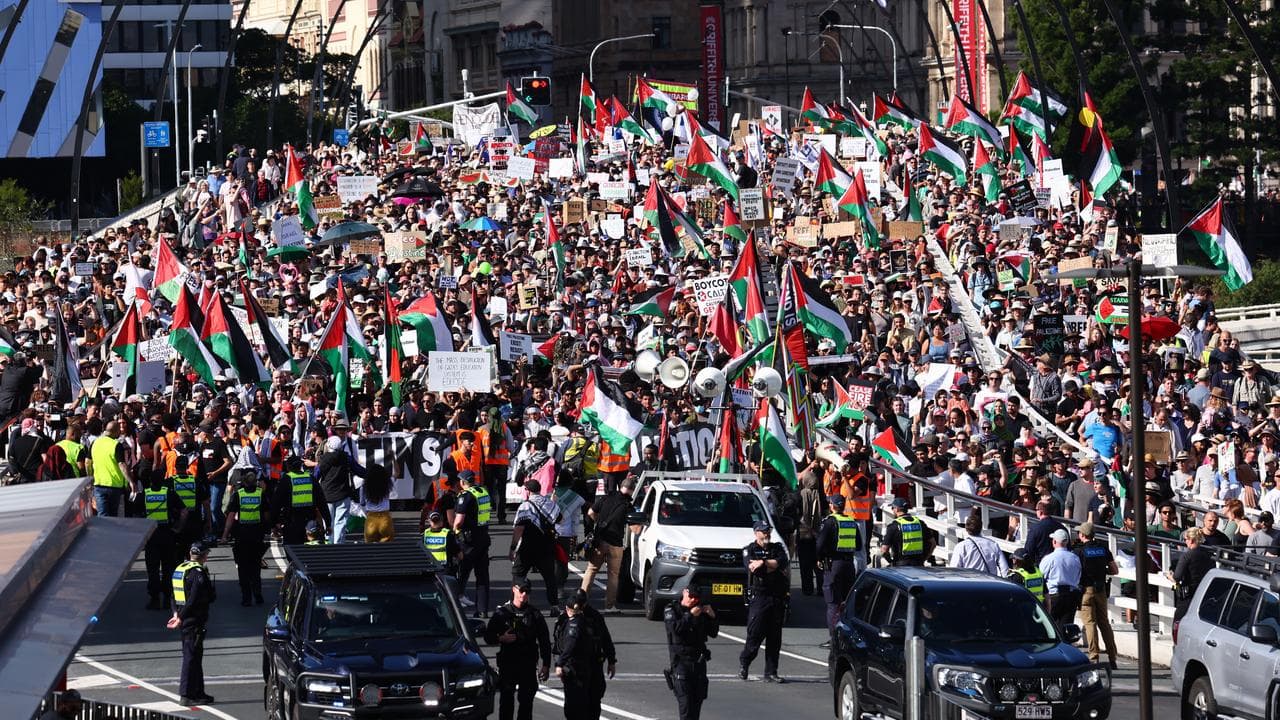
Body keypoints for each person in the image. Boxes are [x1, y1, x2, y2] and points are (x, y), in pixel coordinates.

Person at [485, 581, 551, 720]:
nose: (524, 594)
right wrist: (501, 638)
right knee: (506, 701)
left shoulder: (534, 614)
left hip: (527, 664)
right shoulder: (502, 613)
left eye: (527, 591)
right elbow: (488, 637)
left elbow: (544, 641)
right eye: (521, 590)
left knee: (526, 702)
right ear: (514, 590)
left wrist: (546, 664)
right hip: (508, 663)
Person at [738, 520, 789, 682]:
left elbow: (782, 562)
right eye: (763, 531)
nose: (767, 534)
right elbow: (754, 569)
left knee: (775, 637)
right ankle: (745, 663)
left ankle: (771, 672)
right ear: (756, 533)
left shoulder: (777, 548)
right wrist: (770, 566)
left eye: (768, 530)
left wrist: (764, 562)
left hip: (777, 596)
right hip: (760, 596)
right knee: (755, 634)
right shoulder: (749, 550)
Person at [553, 590, 613, 720]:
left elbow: (605, 639)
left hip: (593, 665)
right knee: (573, 706)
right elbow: (560, 643)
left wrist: (612, 660)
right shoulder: (565, 618)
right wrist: (560, 664)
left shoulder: (594, 617)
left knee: (593, 703)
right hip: (574, 667)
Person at [168, 542, 216, 706]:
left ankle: (198, 692)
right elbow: (194, 599)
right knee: (190, 656)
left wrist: (176, 613)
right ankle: (186, 694)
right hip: (193, 619)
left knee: (195, 655)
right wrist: (181, 617)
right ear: (204, 556)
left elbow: (173, 595)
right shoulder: (198, 573)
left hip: (183, 618)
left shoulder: (180, 569)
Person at [664, 586, 719, 720]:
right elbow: (675, 629)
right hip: (681, 664)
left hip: (699, 664)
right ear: (685, 592)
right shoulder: (672, 610)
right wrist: (690, 615)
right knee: (686, 707)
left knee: (696, 707)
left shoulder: (701, 610)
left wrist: (712, 616)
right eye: (691, 597)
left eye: (696, 598)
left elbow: (713, 633)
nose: (693, 600)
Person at [581, 477, 634, 612]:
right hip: (615, 544)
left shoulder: (605, 498)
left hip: (600, 540)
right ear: (631, 491)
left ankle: (581, 602)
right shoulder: (628, 505)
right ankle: (609, 606)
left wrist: (598, 522)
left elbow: (590, 512)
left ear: (620, 486)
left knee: (591, 570)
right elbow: (635, 528)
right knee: (613, 575)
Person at [510, 479, 562, 609]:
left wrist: (513, 548)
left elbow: (519, 529)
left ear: (528, 491)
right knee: (549, 577)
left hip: (528, 547)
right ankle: (554, 605)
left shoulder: (525, 506)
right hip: (546, 546)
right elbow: (560, 520)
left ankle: (518, 602)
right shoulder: (550, 504)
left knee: (518, 574)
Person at [142, 468, 189, 610]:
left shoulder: (144, 494)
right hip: (168, 535)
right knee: (168, 568)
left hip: (151, 537)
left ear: (150, 481)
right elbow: (184, 511)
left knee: (153, 569)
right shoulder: (169, 493)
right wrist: (179, 527)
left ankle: (154, 599)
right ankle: (168, 599)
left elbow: (136, 516)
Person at [221, 467, 269, 606]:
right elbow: (266, 515)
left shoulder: (238, 495)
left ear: (243, 482)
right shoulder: (260, 494)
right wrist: (268, 528)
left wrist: (225, 535)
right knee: (255, 566)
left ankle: (246, 597)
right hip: (257, 535)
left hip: (242, 536)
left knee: (243, 568)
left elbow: (231, 516)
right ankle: (257, 594)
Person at [1074, 522, 1118, 668]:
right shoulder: (1103, 548)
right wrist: (1103, 571)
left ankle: (1094, 657)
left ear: (1082, 535)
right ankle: (1112, 657)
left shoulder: (1079, 551)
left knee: (1090, 623)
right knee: (1104, 623)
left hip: (1086, 590)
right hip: (1101, 590)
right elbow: (1114, 570)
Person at [816, 494, 859, 636]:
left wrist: (819, 558)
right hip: (849, 565)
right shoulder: (851, 521)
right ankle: (847, 637)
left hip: (834, 565)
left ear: (832, 506)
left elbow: (820, 545)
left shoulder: (829, 522)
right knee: (847, 602)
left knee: (833, 603)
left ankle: (834, 639)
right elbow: (859, 545)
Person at [454, 470, 493, 615]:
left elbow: (458, 521)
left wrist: (454, 532)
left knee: (462, 573)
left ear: (462, 482)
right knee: (482, 576)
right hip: (483, 537)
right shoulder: (483, 492)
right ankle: (482, 610)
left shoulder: (466, 496)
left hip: (469, 541)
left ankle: (455, 604)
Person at [317, 434, 364, 544]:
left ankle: (329, 543)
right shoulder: (346, 458)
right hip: (343, 494)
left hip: (327, 495)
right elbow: (359, 470)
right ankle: (338, 545)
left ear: (328, 446)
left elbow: (316, 475)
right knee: (341, 522)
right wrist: (372, 473)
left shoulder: (323, 459)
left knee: (328, 521)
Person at [91, 420, 138, 517]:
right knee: (113, 516)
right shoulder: (116, 445)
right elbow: (122, 465)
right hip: (114, 487)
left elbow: (87, 462)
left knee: (102, 515)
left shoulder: (95, 443)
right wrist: (131, 482)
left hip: (98, 485)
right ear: (115, 431)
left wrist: (90, 478)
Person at [1038, 528, 1082, 626]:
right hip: (1071, 596)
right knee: (1066, 627)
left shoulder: (1049, 558)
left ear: (1054, 542)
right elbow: (1078, 576)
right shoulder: (1075, 558)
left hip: (1054, 596)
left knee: (1050, 626)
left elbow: (1041, 576)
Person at [1171, 527, 1215, 620]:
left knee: (1179, 620)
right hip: (1203, 595)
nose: (1185, 542)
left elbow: (1177, 577)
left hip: (1188, 595)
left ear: (1191, 540)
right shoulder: (1209, 555)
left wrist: (1169, 576)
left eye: (1185, 539)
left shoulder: (1187, 556)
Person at [948, 513, 1009, 577]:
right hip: (990, 581)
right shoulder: (993, 545)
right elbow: (1004, 569)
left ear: (966, 528)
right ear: (981, 527)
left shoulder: (961, 546)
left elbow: (954, 571)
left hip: (969, 581)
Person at [881, 497, 934, 566]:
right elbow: (933, 543)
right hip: (918, 564)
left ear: (897, 509)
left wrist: (891, 562)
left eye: (893, 508)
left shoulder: (893, 526)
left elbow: (884, 550)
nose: (892, 510)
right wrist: (924, 559)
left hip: (900, 565)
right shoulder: (920, 523)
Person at [1023, 499, 1067, 568]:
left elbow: (1028, 550)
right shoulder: (1061, 527)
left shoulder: (1035, 529)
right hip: (1060, 566)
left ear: (1040, 512)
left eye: (1036, 509)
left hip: (1041, 566)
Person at [359, 462, 394, 542]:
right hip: (385, 518)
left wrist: (366, 513)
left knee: (370, 546)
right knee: (387, 545)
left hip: (371, 518)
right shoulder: (387, 484)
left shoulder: (364, 486)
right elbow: (397, 473)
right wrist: (393, 459)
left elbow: (362, 503)